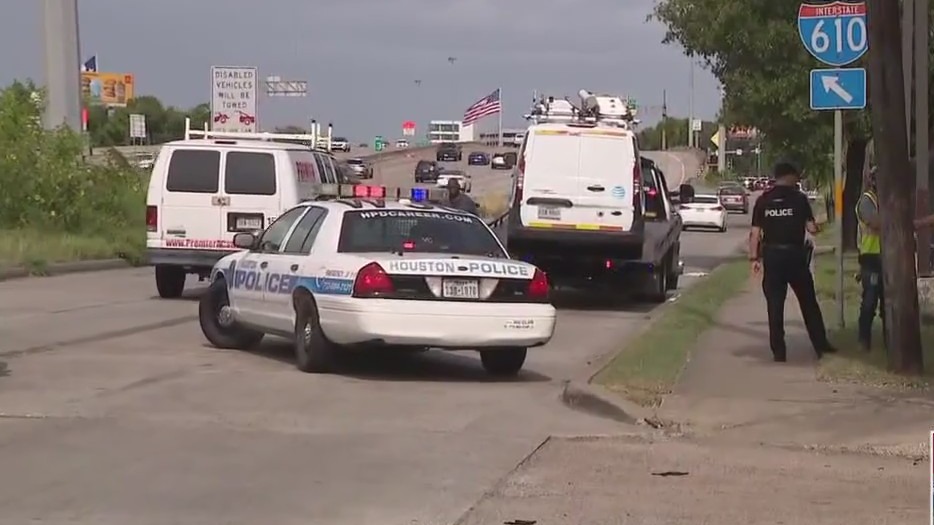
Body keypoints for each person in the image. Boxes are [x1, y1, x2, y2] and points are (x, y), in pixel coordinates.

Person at [749, 162, 836, 362]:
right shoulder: (799, 199)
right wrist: (821, 226)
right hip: (795, 257)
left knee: (775, 306)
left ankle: (778, 352)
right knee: (808, 303)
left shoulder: (764, 201)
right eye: (796, 176)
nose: (797, 180)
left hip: (772, 257)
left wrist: (754, 258)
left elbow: (755, 234)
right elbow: (811, 228)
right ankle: (821, 345)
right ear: (789, 176)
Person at [854, 167, 885, 352]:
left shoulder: (888, 199)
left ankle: (890, 341)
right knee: (870, 301)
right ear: (873, 181)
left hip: (888, 257)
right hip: (871, 257)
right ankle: (863, 340)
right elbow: (875, 223)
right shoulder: (867, 201)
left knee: (888, 303)